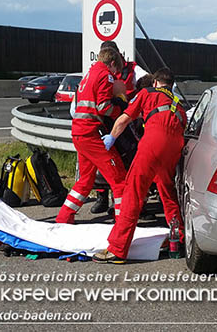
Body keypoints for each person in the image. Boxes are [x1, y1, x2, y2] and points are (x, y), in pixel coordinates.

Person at [94, 68, 187, 264]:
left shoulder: (146, 93)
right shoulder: (178, 105)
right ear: (172, 85)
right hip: (173, 149)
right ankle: (178, 236)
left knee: (133, 191)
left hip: (153, 144)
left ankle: (118, 249)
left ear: (155, 83)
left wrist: (112, 136)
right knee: (167, 191)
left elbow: (124, 119)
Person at [55, 47, 127, 224]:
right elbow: (103, 107)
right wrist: (120, 110)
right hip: (92, 133)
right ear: (112, 64)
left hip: (79, 132)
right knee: (118, 178)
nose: (116, 74)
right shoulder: (105, 75)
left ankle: (64, 217)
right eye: (116, 70)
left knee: (85, 181)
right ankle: (123, 221)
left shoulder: (88, 74)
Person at [90, 41, 148, 214]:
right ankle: (103, 197)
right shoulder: (98, 71)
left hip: (127, 120)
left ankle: (129, 203)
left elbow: (148, 83)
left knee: (127, 160)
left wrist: (132, 106)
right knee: (105, 164)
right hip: (106, 121)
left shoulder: (132, 69)